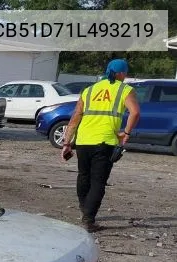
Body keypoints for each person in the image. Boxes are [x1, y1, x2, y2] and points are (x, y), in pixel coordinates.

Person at [60, 58, 140, 232]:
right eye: (125, 73)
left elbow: (76, 116)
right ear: (121, 74)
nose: (125, 76)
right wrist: (126, 133)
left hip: (83, 141)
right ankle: (89, 219)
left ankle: (84, 209)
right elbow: (135, 113)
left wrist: (67, 142)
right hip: (104, 142)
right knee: (98, 182)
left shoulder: (89, 90)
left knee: (83, 176)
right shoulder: (125, 89)